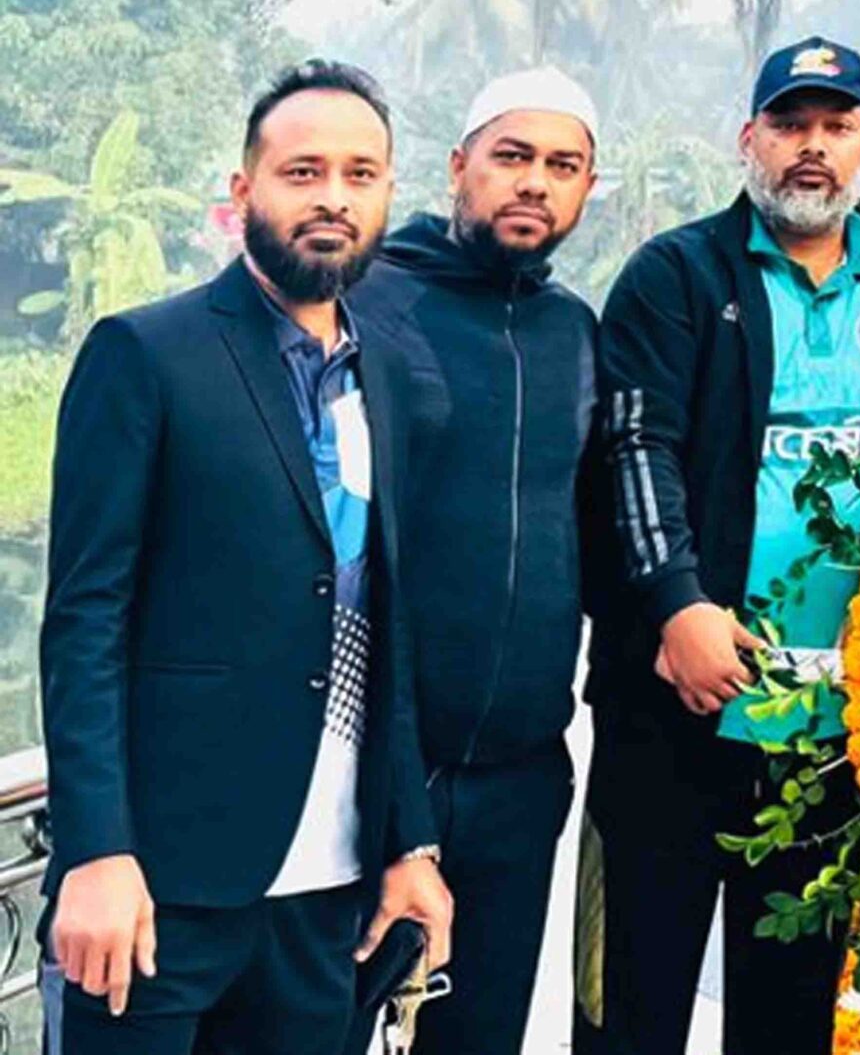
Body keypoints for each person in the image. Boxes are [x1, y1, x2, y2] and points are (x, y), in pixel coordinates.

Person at [40, 59, 449, 1053]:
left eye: (360, 175)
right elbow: (85, 620)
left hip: (329, 893)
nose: (333, 198)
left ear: (388, 194)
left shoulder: (392, 376)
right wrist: (96, 850)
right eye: (303, 172)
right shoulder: (147, 354)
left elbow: (386, 626)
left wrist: (410, 840)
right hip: (158, 888)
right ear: (244, 190)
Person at [589, 36, 860, 1053]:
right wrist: (676, 604)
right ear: (749, 139)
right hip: (679, 703)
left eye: (835, 126)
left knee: (792, 1012)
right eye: (789, 125)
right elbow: (633, 444)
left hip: (833, 726)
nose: (810, 147)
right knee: (632, 997)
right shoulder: (677, 275)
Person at [338, 67, 604, 1055]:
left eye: (562, 166)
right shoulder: (369, 299)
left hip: (519, 777)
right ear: (459, 166)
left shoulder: (573, 331)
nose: (534, 182)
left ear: (586, 188)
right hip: (367, 770)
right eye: (512, 156)